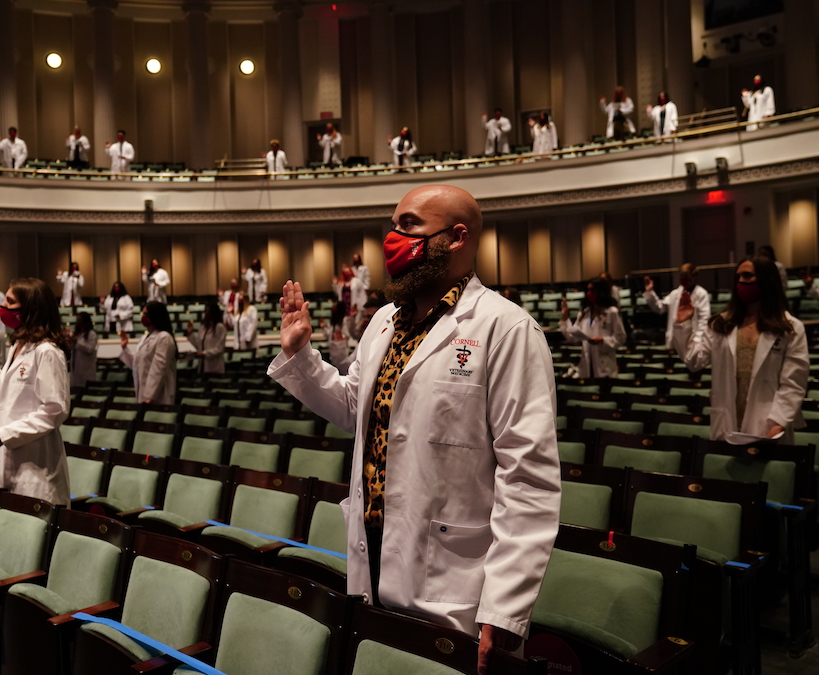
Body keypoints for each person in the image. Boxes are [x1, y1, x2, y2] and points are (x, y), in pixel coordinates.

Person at [268, 184, 560, 671]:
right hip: (374, 554)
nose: (392, 238)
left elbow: (527, 476)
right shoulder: (385, 321)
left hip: (453, 578)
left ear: (458, 236)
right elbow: (352, 406)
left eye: (409, 226)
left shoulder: (505, 329)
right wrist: (301, 355)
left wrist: (504, 609)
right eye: (393, 224)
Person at [672, 256, 809, 442]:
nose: (741, 282)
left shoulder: (791, 328)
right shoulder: (721, 324)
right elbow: (694, 361)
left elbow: (793, 384)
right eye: (738, 277)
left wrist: (779, 421)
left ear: (766, 280)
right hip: (726, 423)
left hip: (769, 425)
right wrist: (683, 324)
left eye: (748, 276)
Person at [0, 278, 71, 506]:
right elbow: (11, 396)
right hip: (9, 465)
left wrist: (4, 435)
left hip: (36, 470)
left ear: (30, 309)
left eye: (9, 302)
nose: (3, 307)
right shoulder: (18, 346)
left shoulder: (47, 351)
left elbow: (54, 411)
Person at [559, 278, 627, 378]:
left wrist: (602, 341)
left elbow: (620, 337)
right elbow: (572, 336)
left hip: (604, 364)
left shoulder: (611, 312)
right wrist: (566, 318)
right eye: (588, 290)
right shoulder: (584, 313)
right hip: (586, 365)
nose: (590, 293)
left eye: (593, 290)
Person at [120, 301, 176, 405]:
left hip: (158, 395)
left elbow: (158, 368)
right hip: (143, 392)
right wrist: (125, 348)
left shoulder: (164, 337)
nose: (143, 317)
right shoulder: (144, 338)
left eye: (146, 314)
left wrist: (150, 397)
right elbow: (137, 364)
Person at [643, 264, 711, 350]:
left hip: (694, 338)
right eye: (681, 276)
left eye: (686, 277)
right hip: (674, 338)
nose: (683, 279)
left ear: (694, 277)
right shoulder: (675, 294)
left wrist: (699, 338)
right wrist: (650, 291)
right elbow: (660, 307)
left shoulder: (701, 294)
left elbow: (704, 319)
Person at [186, 304, 227, 374]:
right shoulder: (203, 328)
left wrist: (205, 353)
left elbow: (219, 348)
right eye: (206, 311)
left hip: (214, 367)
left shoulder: (220, 327)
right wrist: (190, 334)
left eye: (208, 311)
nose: (207, 314)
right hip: (202, 366)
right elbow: (198, 345)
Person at [69, 312, 98, 389]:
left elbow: (90, 349)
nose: (78, 323)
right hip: (75, 370)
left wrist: (77, 342)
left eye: (80, 320)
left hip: (86, 370)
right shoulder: (76, 334)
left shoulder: (92, 334)